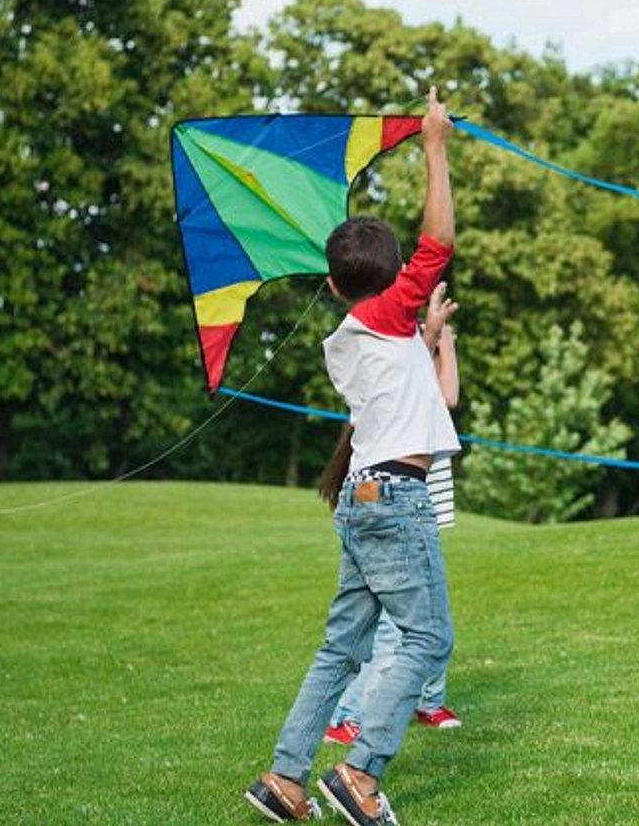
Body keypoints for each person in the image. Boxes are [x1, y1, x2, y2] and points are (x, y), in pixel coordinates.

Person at [244, 88, 457, 826]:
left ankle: (285, 778)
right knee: (430, 638)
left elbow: (402, 365)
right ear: (389, 284)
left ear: (332, 285)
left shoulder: (356, 334)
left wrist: (424, 330)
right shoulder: (385, 313)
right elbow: (440, 246)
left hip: (365, 500)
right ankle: (358, 775)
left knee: (343, 648)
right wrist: (433, 144)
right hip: (394, 504)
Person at [324, 281, 464, 746]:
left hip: (406, 500)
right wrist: (438, 340)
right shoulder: (389, 351)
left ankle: (425, 699)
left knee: (417, 621)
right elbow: (444, 395)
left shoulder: (396, 349)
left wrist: (440, 340)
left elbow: (439, 392)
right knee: (400, 629)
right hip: (395, 499)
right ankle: (349, 717)